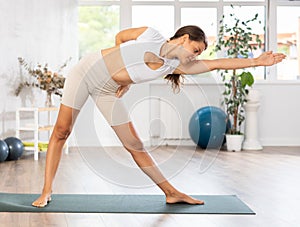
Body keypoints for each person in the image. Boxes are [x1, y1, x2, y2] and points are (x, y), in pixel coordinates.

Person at [32, 25, 285, 208]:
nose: (195, 56)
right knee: (62, 131)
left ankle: (171, 192)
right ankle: (46, 190)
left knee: (134, 145)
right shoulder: (150, 35)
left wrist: (257, 62)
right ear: (184, 38)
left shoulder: (173, 66)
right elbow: (121, 36)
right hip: (86, 71)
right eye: (195, 49)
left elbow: (218, 63)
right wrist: (121, 65)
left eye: (198, 54)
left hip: (107, 90)